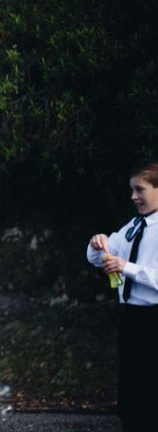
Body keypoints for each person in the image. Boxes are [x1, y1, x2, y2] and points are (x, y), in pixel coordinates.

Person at [87, 161, 158, 431]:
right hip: (133, 318)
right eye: (131, 190)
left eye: (140, 190)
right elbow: (97, 258)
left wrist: (126, 267)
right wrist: (98, 243)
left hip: (155, 317)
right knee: (131, 392)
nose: (133, 197)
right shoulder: (134, 226)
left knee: (152, 392)